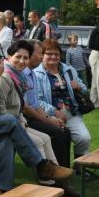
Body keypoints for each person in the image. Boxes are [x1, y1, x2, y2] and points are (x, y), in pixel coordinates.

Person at [0, 32, 74, 195]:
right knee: (11, 121)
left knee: (7, 141)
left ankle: (1, 188)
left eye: (26, 57)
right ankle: (41, 165)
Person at [0, 41, 63, 185]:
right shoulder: (5, 77)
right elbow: (1, 110)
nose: (22, 61)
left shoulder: (18, 76)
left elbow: (19, 106)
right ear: (9, 57)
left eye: (25, 58)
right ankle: (48, 182)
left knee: (46, 137)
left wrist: (23, 120)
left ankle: (57, 177)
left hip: (18, 122)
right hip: (8, 126)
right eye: (18, 57)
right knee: (39, 141)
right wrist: (21, 123)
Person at [35, 38, 93, 160]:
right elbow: (36, 100)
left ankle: (79, 166)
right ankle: (57, 165)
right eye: (49, 53)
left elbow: (83, 88)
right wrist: (54, 112)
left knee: (84, 139)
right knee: (60, 140)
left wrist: (79, 87)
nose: (53, 57)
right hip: (49, 117)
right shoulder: (36, 74)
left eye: (56, 54)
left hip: (72, 114)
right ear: (42, 55)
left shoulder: (69, 70)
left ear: (60, 55)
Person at [25, 39, 74, 171]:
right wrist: (49, 119)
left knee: (65, 131)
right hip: (26, 119)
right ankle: (57, 172)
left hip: (36, 115)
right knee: (58, 132)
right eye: (40, 53)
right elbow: (26, 107)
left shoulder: (31, 74)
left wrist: (50, 118)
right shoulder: (27, 74)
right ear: (29, 54)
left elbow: (36, 104)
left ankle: (64, 170)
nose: (41, 57)